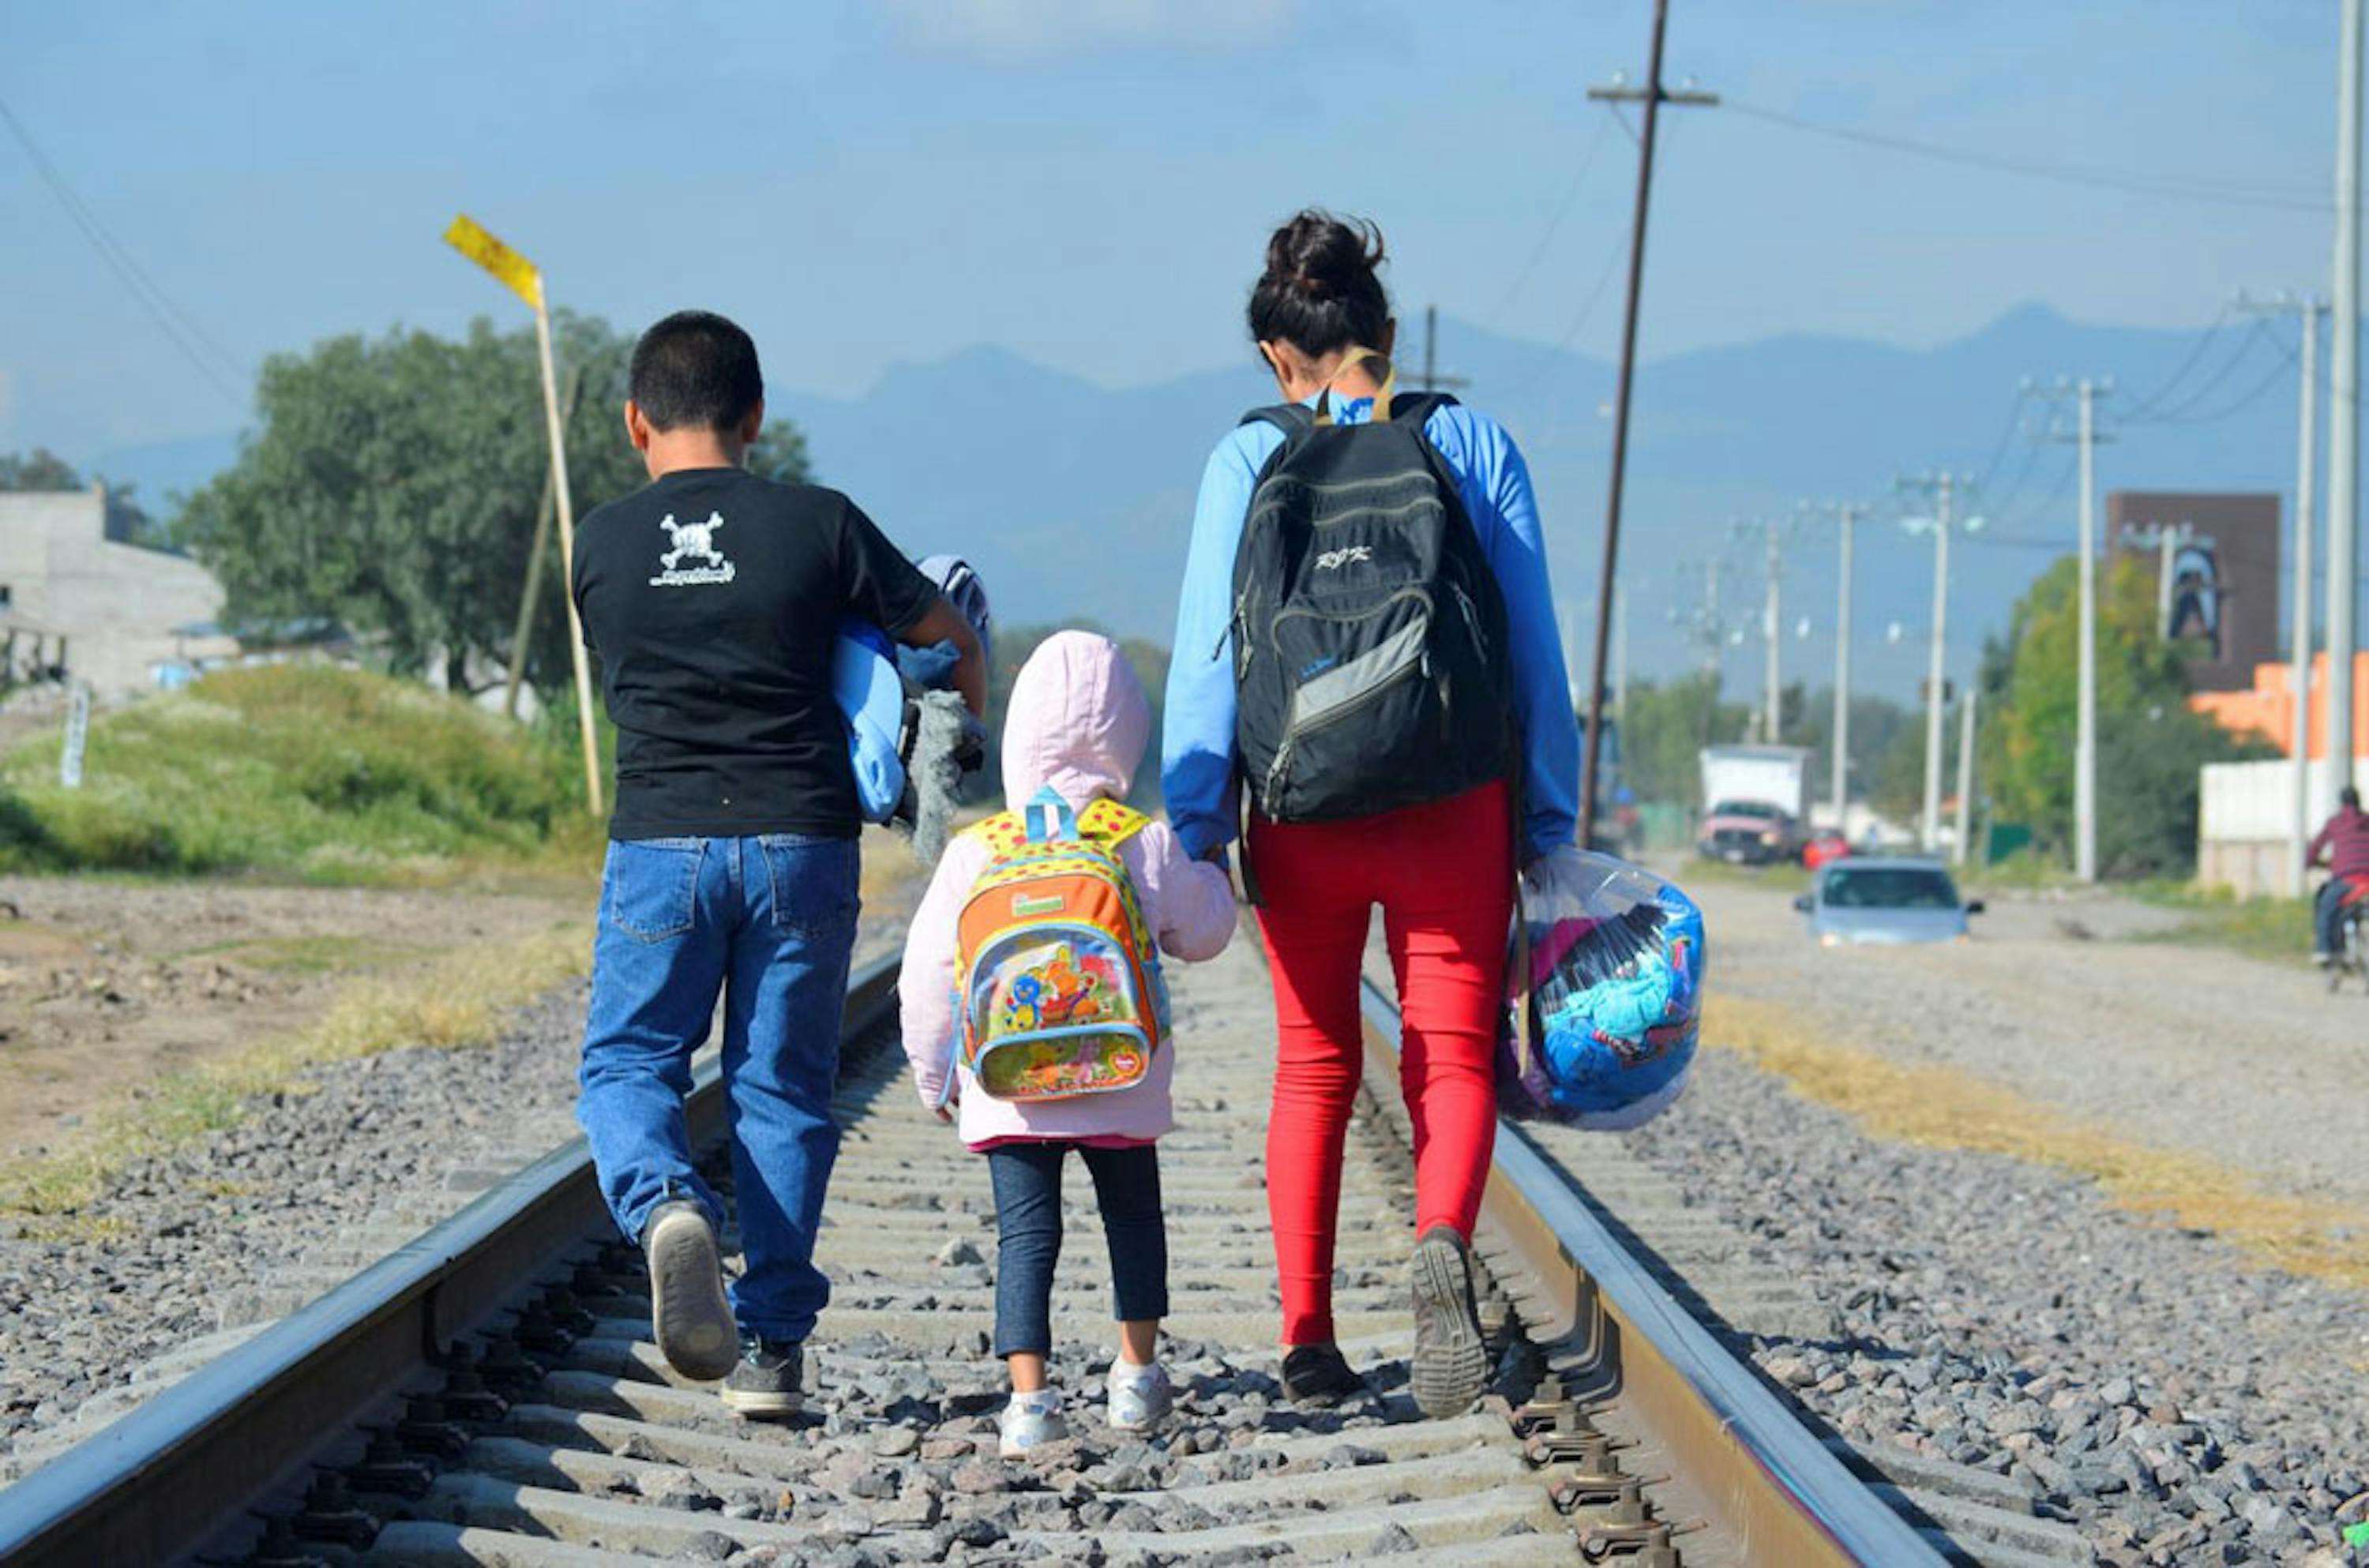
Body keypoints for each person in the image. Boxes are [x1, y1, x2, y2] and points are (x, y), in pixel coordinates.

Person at [1161, 212, 1579, 1416]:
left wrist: (1201, 821)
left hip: (1304, 807)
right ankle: (1442, 1237)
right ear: (1387, 338)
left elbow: (1207, 656)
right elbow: (1536, 654)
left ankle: (1307, 1335)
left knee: (1314, 1062)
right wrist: (1546, 825)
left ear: (1272, 357)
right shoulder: (1472, 442)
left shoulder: (1246, 459)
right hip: (1454, 799)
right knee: (1451, 1055)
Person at [572, 309, 985, 1416]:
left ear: (633, 423)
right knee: (782, 1092)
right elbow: (947, 633)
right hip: (802, 842)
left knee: (626, 1065)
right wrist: (962, 728)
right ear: (756, 417)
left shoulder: (600, 542)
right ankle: (773, 1354)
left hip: (660, 840)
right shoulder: (820, 522)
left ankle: (665, 1206)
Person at [899, 632, 1235, 1455]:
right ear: (1127, 735)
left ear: (1022, 734)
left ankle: (1030, 1402)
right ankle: (1134, 1378)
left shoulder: (980, 849)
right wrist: (1215, 873)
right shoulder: (1138, 838)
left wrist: (935, 1075)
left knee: (1026, 1236)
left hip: (1011, 1087)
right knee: (1133, 1217)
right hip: (1120, 1079)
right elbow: (1205, 932)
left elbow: (928, 974)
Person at [2307, 784, 2369, 963]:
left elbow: (2313, 850)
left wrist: (2312, 863)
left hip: (2346, 879)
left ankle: (2324, 950)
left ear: (2341, 804)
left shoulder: (2335, 823)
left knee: (2326, 906)